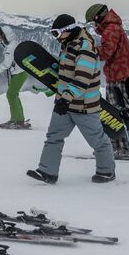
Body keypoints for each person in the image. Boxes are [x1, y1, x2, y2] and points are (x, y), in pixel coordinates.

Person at [26, 14, 116, 184]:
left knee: (97, 140)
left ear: (67, 30)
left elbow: (82, 79)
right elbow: (64, 76)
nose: (56, 38)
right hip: (65, 104)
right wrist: (59, 95)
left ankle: (107, 171)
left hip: (84, 106)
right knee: (54, 136)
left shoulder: (85, 48)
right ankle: (47, 171)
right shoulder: (68, 46)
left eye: (57, 33)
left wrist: (65, 98)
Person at [85, 3, 129, 160]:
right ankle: (117, 146)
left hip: (120, 77)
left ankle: (125, 148)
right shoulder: (112, 28)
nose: (94, 26)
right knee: (115, 112)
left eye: (93, 22)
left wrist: (87, 50)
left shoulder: (111, 29)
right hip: (119, 75)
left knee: (117, 113)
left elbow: (106, 52)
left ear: (98, 17)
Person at [0, 26, 30, 129]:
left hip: (19, 73)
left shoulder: (10, 47)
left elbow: (6, 64)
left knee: (11, 95)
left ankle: (15, 121)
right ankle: (19, 120)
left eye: (0, 35)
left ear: (6, 36)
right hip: (20, 72)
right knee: (14, 94)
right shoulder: (13, 44)